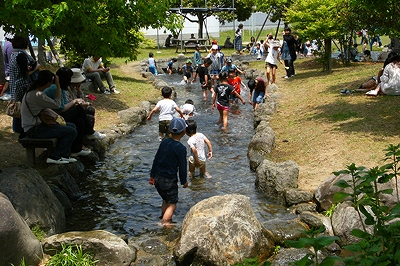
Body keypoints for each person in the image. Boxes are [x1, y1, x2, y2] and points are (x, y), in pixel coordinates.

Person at [45, 67, 106, 156]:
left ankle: (76, 149)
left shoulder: (60, 88)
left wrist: (78, 97)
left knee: (79, 121)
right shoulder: (56, 88)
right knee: (79, 110)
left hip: (57, 115)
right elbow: (61, 108)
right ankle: (90, 132)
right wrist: (75, 102)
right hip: (53, 118)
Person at [21, 70, 78, 164]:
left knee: (71, 126)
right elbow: (58, 105)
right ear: (48, 83)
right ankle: (54, 156)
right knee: (71, 131)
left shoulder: (34, 92)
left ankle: (64, 155)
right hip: (34, 129)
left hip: (37, 126)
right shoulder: (38, 95)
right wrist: (58, 86)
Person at [148, 117, 188, 225]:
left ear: (169, 130)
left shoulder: (164, 142)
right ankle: (164, 223)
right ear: (184, 132)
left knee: (165, 200)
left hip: (158, 178)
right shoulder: (181, 148)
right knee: (172, 204)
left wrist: (152, 176)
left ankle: (162, 215)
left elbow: (156, 159)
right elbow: (182, 167)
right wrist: (184, 181)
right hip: (169, 181)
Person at [9, 35, 41, 136]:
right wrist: (36, 68)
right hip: (22, 86)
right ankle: (22, 130)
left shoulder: (13, 54)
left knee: (19, 107)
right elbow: (25, 74)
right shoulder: (21, 55)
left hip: (15, 85)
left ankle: (18, 128)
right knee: (23, 109)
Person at [0, 33, 14, 100]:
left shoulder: (6, 44)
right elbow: (11, 61)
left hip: (8, 71)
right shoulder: (10, 46)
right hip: (10, 72)